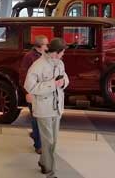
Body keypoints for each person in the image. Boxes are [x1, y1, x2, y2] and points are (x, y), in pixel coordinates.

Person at [24, 38, 69, 178]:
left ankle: (44, 162)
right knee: (48, 141)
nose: (64, 54)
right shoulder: (38, 65)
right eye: (63, 52)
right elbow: (29, 86)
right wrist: (52, 84)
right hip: (43, 109)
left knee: (53, 140)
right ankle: (50, 172)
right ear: (56, 52)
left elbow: (66, 80)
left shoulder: (60, 63)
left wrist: (62, 83)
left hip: (57, 108)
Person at [19, 35, 49, 154]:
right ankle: (38, 145)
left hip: (44, 91)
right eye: (46, 44)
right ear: (40, 46)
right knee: (36, 119)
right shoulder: (29, 57)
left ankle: (38, 138)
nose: (48, 46)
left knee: (43, 119)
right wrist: (27, 92)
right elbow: (23, 75)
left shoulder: (45, 56)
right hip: (34, 92)